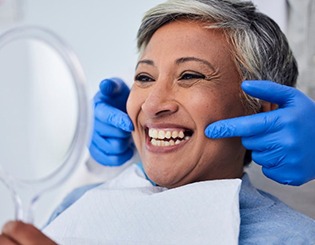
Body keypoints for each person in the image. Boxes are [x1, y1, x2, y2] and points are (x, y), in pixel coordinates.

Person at [1, 0, 315, 244]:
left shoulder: (292, 238)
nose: (152, 105)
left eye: (190, 75)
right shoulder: (77, 205)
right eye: (144, 77)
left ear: (261, 109)